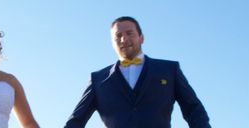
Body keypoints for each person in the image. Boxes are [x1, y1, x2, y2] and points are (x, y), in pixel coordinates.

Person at [64, 16, 211, 128]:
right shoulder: (97, 80)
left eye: (129, 33)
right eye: (118, 36)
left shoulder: (169, 70)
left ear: (141, 38)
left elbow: (193, 109)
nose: (124, 39)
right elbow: (76, 121)